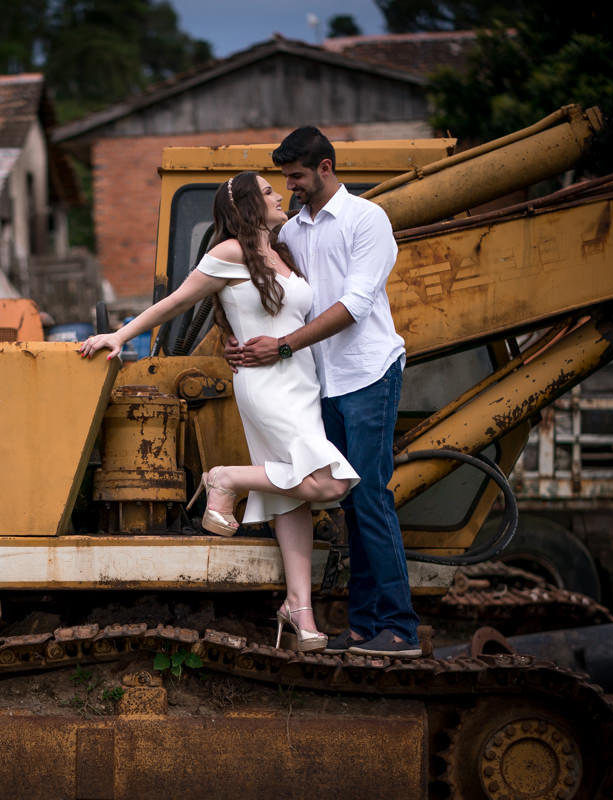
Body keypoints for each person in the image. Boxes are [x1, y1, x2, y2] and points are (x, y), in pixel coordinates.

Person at [79, 171, 359, 653]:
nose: (279, 196)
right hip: (266, 386)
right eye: (268, 192)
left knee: (294, 497)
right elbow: (176, 302)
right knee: (327, 481)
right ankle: (224, 479)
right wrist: (120, 336)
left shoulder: (283, 252)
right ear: (248, 205)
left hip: (301, 382)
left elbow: (289, 317)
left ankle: (299, 608)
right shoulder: (229, 253)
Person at [224, 126, 422, 658]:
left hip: (369, 373)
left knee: (372, 495)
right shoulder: (293, 230)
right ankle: (363, 626)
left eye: (296, 177)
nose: (290, 187)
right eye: (285, 179)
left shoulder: (366, 219)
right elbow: (268, 290)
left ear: (325, 168)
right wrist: (233, 334)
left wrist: (283, 346)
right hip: (322, 382)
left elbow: (355, 305)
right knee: (349, 502)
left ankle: (400, 628)